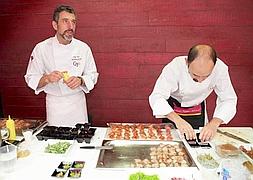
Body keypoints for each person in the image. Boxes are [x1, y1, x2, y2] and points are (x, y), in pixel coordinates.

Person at [24, 5, 98, 126]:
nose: (70, 26)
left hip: (77, 104)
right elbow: (31, 77)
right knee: (56, 142)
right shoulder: (41, 48)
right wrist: (47, 78)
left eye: (73, 22)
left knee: (80, 138)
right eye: (65, 21)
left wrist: (81, 80)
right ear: (55, 25)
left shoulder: (83, 48)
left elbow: (93, 75)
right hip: (55, 105)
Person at [149, 44, 237, 141]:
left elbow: (228, 99)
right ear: (187, 62)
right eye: (195, 75)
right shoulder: (175, 67)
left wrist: (214, 123)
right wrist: (178, 120)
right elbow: (157, 96)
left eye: (206, 76)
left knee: (200, 142)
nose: (200, 80)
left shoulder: (220, 69)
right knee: (171, 140)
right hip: (173, 109)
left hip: (197, 108)